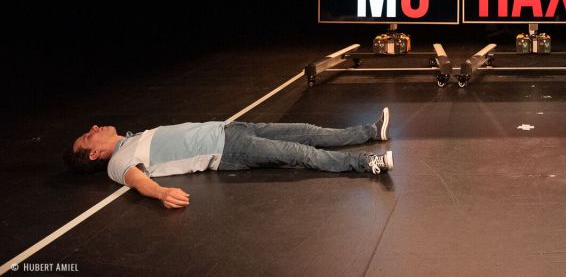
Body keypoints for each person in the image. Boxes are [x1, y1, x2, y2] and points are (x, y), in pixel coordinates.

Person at [64, 108, 394, 209]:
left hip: (228, 129)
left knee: (306, 132)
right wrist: (162, 193)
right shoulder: (116, 163)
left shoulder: (131, 138)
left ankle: (369, 131)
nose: (93, 128)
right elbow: (137, 180)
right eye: (88, 136)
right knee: (299, 153)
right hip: (227, 151)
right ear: (93, 153)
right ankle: (366, 163)